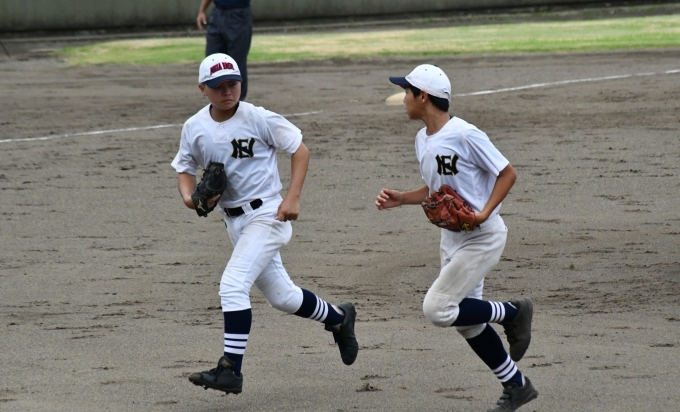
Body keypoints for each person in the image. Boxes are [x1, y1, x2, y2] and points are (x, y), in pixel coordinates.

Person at [172, 53, 358, 395]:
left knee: (232, 285)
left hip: (268, 215)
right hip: (234, 223)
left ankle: (230, 369)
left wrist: (292, 197)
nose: (227, 92)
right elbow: (185, 168)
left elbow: (299, 150)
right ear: (202, 89)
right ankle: (339, 318)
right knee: (282, 297)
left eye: (233, 84)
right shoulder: (194, 127)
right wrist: (190, 199)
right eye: (218, 86)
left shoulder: (258, 117)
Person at [375, 64, 538, 412]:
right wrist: (402, 198)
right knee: (468, 323)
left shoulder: (465, 134)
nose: (403, 99)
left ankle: (513, 312)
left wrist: (483, 214)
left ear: (423, 96)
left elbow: (507, 173)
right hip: (452, 239)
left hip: (482, 237)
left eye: (407, 92)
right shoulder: (422, 140)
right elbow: (437, 189)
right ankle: (517, 385)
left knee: (437, 309)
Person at [196, 0, 264, 100]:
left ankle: (238, 103)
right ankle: (216, 100)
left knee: (237, 62)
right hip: (217, 14)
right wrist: (202, 11)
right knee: (212, 60)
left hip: (239, 15)